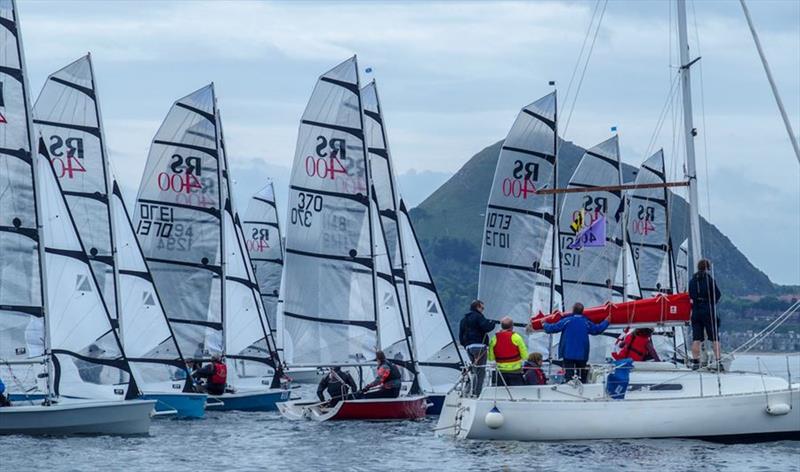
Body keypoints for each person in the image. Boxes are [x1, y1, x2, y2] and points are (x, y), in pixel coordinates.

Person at [543, 302, 610, 383]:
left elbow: (553, 328)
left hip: (568, 354)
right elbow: (597, 329)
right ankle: (583, 390)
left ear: (573, 310)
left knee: (569, 378)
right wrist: (606, 321)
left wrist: (544, 324)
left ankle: (570, 389)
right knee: (581, 377)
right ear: (582, 311)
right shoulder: (586, 322)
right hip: (582, 355)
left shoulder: (567, 320)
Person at [689, 259, 722, 370]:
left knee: (696, 339)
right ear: (707, 268)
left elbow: (690, 295)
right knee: (714, 338)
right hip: (708, 309)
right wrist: (712, 303)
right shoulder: (710, 280)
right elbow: (717, 295)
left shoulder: (692, 280)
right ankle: (718, 362)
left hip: (696, 310)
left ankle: (695, 362)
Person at [459, 300, 497, 395]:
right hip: (479, 346)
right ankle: (476, 394)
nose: (483, 310)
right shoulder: (479, 316)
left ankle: (466, 391)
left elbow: (460, 335)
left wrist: (465, 345)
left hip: (469, 348)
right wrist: (492, 323)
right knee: (480, 371)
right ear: (477, 307)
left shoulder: (464, 319)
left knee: (473, 370)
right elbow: (486, 327)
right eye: (482, 308)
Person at [488, 316, 528, 386]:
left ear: (501, 326)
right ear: (512, 326)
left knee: (501, 393)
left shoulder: (494, 339)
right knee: (517, 393)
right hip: (515, 371)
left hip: (500, 372)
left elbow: (491, 358)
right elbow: (525, 356)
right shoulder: (517, 337)